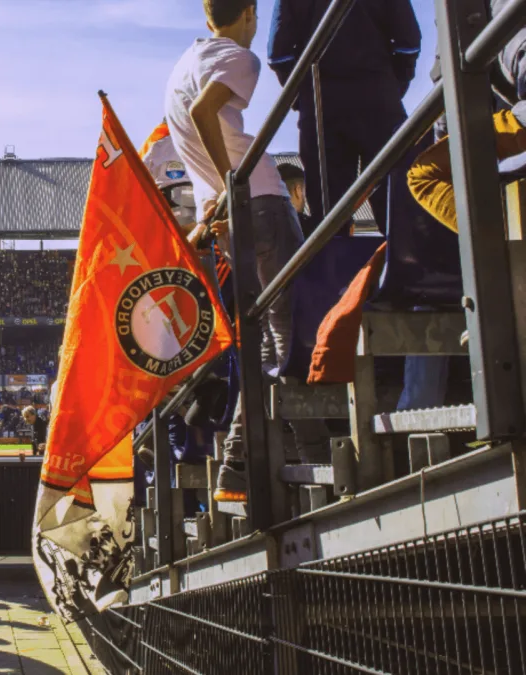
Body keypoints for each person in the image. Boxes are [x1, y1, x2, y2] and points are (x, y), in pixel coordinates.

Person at [164, 0, 329, 502]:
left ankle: (286, 450)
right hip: (257, 199)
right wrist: (230, 180)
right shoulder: (239, 57)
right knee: (293, 325)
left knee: (267, 338)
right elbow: (205, 111)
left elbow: (192, 121)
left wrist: (218, 193)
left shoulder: (183, 64)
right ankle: (267, 453)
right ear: (251, 13)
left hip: (233, 213)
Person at [268, 0, 420, 234]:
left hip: (321, 107)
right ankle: (410, 267)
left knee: (329, 219)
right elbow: (408, 43)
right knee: (399, 210)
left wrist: (305, 97)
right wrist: (392, 85)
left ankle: (334, 268)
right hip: (378, 99)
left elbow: (278, 54)